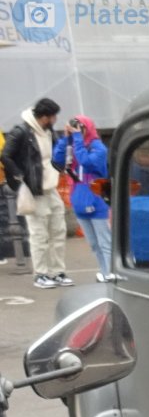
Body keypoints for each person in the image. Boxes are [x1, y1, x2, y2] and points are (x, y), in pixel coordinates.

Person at [2, 97, 73, 288]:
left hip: (51, 188)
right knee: (38, 234)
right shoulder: (22, 132)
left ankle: (57, 271)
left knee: (58, 231)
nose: (55, 120)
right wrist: (19, 176)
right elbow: (5, 155)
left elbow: (58, 152)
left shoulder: (49, 132)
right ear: (45, 117)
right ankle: (41, 274)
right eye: (53, 116)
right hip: (34, 190)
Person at [53, 115, 111, 279]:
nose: (79, 131)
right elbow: (57, 160)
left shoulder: (99, 148)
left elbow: (86, 162)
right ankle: (104, 271)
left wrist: (77, 138)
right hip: (79, 199)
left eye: (81, 127)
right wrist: (66, 139)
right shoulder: (74, 145)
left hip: (97, 199)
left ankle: (111, 273)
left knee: (105, 242)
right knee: (93, 244)